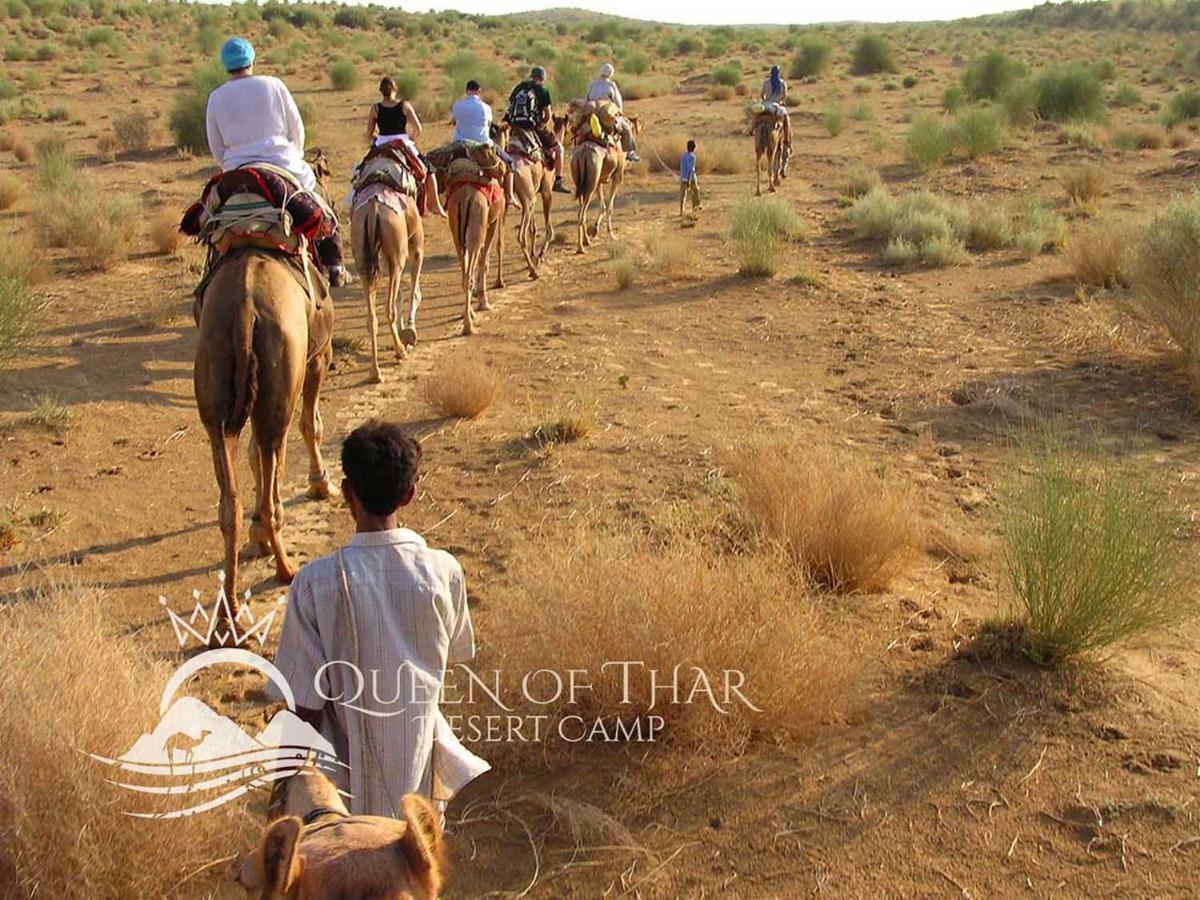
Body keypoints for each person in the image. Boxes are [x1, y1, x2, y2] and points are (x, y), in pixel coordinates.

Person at [273, 420, 489, 818]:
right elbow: (456, 653)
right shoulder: (444, 572)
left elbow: (302, 706)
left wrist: (280, 791)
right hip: (419, 793)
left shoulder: (314, 584)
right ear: (410, 493)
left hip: (339, 807)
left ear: (347, 493)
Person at [206, 37, 350, 286]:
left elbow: (216, 147)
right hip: (283, 165)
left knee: (210, 221)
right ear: (252, 60)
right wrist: (294, 155)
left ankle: (210, 274)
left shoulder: (216, 97)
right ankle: (335, 266)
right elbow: (297, 130)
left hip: (237, 172)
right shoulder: (274, 85)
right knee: (323, 206)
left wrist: (232, 164)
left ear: (226, 65)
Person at [365, 75, 446, 218]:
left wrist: (375, 139)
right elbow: (418, 128)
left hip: (382, 143)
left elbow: (368, 133)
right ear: (395, 90)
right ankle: (435, 205)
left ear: (381, 91)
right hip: (402, 143)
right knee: (428, 170)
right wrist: (411, 139)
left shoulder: (375, 108)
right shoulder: (404, 105)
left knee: (362, 170)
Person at [450, 79, 515, 205]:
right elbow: (488, 124)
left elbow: (454, 121)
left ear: (466, 91)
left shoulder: (457, 106)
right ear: (479, 92)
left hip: (459, 145)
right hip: (482, 145)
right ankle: (510, 195)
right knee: (510, 163)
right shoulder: (486, 108)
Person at [507, 66, 568, 193]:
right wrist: (541, 125)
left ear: (531, 76)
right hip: (532, 127)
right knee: (559, 149)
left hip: (514, 127)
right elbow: (547, 115)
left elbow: (510, 106)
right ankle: (558, 180)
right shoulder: (542, 90)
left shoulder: (519, 87)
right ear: (542, 78)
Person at [585, 62, 640, 163]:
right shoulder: (611, 85)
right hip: (607, 116)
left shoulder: (592, 84)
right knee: (627, 128)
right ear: (611, 74)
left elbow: (587, 99)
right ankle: (630, 152)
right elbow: (618, 104)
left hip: (592, 116)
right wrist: (620, 113)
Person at [761, 64, 792, 151]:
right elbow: (784, 96)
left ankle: (750, 130)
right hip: (776, 107)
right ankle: (787, 140)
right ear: (778, 73)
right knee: (786, 119)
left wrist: (765, 101)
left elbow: (762, 95)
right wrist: (780, 102)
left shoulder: (766, 82)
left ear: (771, 73)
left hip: (766, 105)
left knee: (757, 116)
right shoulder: (782, 83)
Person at [679, 139, 701, 218]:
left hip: (682, 178)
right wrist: (689, 179)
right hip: (690, 178)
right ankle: (695, 208)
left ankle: (682, 211)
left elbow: (682, 168)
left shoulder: (682, 156)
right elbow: (691, 169)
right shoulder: (693, 157)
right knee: (695, 192)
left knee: (683, 195)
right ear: (694, 148)